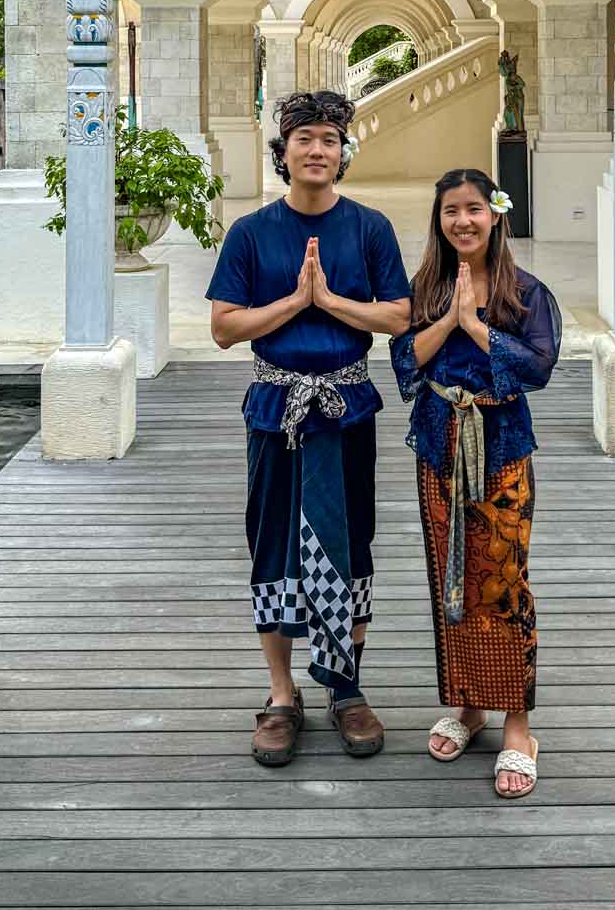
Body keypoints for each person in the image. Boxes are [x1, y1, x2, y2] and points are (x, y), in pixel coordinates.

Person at [208, 90, 411, 768]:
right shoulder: (252, 232)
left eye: (330, 137)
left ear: (343, 151)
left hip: (348, 404)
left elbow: (398, 317)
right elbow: (224, 328)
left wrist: (330, 302)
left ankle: (346, 685)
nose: (318, 149)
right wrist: (294, 302)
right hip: (276, 404)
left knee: (350, 540)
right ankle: (281, 692)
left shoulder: (370, 228)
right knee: (273, 543)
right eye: (305, 138)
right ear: (284, 150)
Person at [390, 168, 560, 799]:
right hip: (437, 444)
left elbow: (537, 367)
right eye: (450, 211)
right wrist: (453, 319)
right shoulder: (428, 287)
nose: (462, 221)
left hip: (503, 449)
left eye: (474, 209)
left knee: (503, 580)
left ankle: (518, 722)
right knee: (451, 577)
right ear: (439, 222)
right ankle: (469, 703)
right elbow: (405, 361)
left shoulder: (526, 291)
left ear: (495, 215)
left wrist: (480, 326)